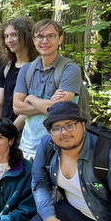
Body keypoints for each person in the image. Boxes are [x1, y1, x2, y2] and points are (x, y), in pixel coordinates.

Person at [13, 19, 83, 159]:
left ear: (60, 39)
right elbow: (17, 107)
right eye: (40, 36)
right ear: (34, 40)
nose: (45, 41)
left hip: (59, 147)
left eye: (51, 36)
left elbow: (58, 110)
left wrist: (30, 98)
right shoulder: (26, 69)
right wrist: (49, 103)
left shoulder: (70, 69)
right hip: (27, 147)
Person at [0, 16, 37, 131]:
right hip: (6, 129)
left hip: (29, 131)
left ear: (26, 36)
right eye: (6, 36)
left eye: (14, 35)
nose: (9, 40)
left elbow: (33, 106)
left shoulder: (38, 66)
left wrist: (11, 131)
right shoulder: (7, 66)